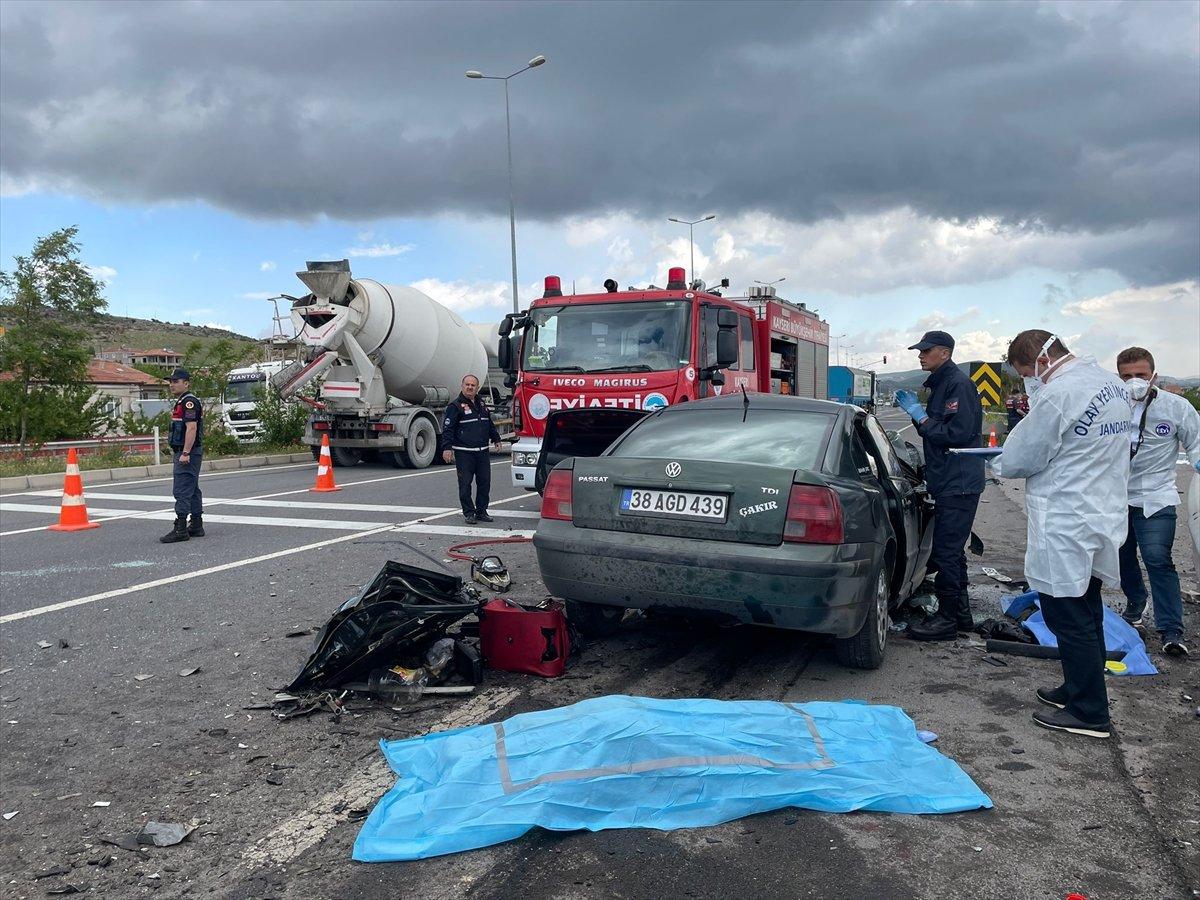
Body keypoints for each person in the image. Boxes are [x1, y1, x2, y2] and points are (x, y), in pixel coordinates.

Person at [990, 331, 1131, 739]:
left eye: (1025, 373)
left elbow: (1021, 457)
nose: (1031, 381)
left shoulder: (1059, 393)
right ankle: (1075, 687)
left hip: (1066, 519)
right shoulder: (1110, 384)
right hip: (1099, 514)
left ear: (1037, 360)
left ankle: (1090, 712)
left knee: (1067, 615)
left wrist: (998, 463)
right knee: (1086, 607)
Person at [895, 330, 985, 641]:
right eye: (919, 350)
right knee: (952, 552)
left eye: (926, 350)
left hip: (957, 481)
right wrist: (923, 419)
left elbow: (957, 433)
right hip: (949, 479)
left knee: (946, 553)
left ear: (944, 353)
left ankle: (947, 620)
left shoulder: (958, 384)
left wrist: (920, 417)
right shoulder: (942, 384)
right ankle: (960, 616)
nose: (920, 355)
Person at [1114, 346, 1200, 656]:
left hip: (1156, 497)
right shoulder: (1110, 407)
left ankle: (1171, 629)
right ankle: (1135, 604)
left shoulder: (1176, 407)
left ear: (1154, 375)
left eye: (1140, 375)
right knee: (1121, 558)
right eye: (1126, 376)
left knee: (1158, 560)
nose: (1133, 381)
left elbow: (1196, 441)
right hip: (1116, 499)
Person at [441, 374, 502, 525]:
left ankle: (481, 511)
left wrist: (496, 438)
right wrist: (447, 448)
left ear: (477, 387)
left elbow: (488, 423)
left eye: (472, 385)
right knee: (465, 484)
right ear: (462, 386)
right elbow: (448, 429)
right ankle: (469, 513)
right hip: (464, 453)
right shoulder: (455, 407)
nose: (470, 387)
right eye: (467, 385)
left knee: (484, 483)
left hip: (482, 452)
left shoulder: (481, 404)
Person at [160, 367, 204, 543]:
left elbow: (191, 427)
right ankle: (196, 525)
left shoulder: (188, 402)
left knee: (182, 489)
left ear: (186, 383)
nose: (172, 384)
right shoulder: (182, 401)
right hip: (188, 452)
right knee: (192, 488)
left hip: (188, 453)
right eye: (171, 381)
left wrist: (185, 453)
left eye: (175, 381)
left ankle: (180, 529)